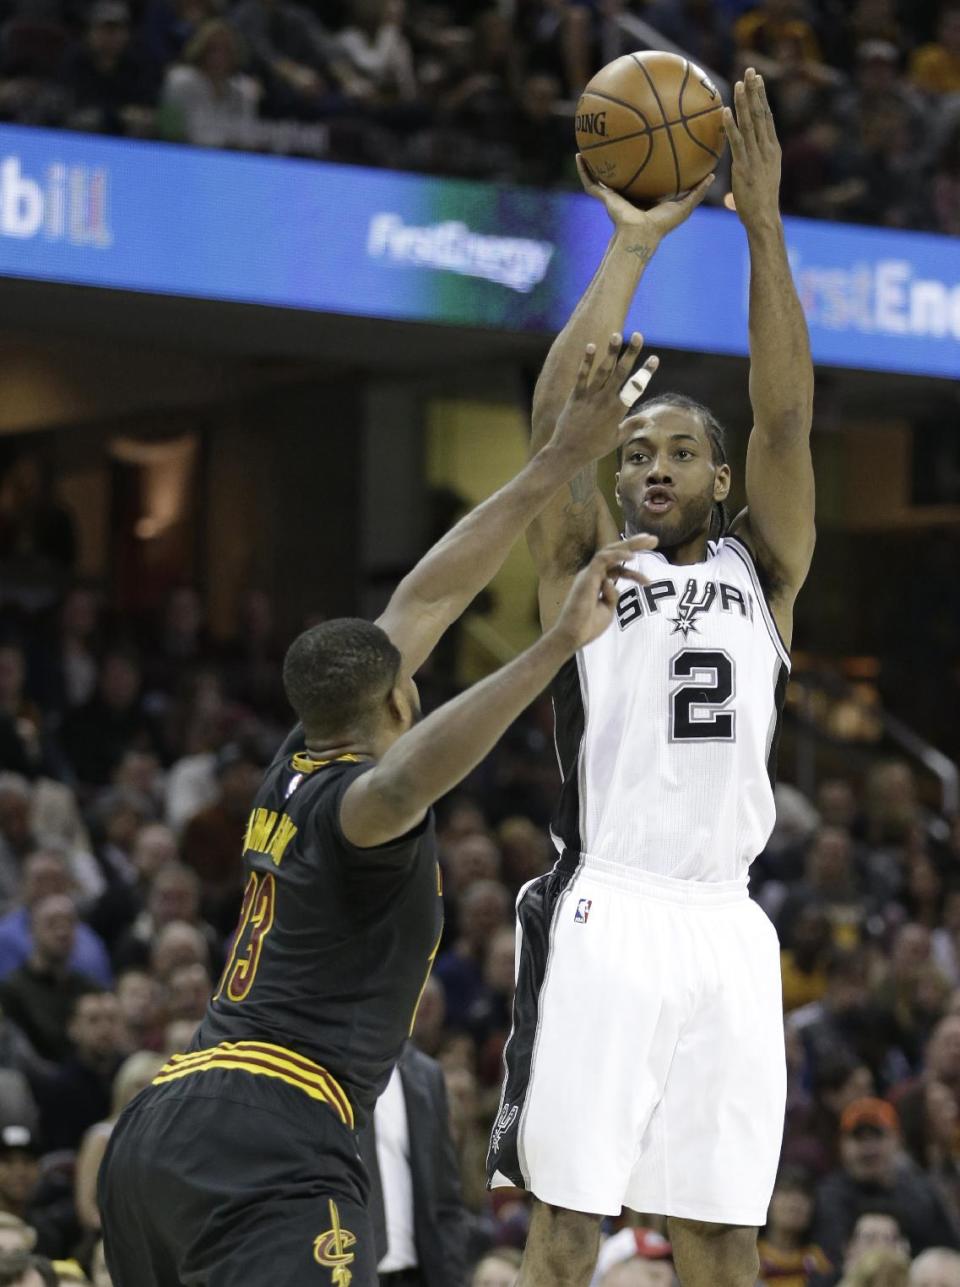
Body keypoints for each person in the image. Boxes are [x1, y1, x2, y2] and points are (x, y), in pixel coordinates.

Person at [97, 329, 662, 1286]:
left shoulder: (297, 754)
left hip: (162, 1125)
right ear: (398, 702)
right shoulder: (359, 804)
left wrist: (559, 458)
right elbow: (409, 775)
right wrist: (558, 641)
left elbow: (427, 594)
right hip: (271, 1137)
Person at [486, 69, 815, 1287]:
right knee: (568, 1227)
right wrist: (629, 247)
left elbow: (785, 423)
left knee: (727, 1234)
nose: (657, 468)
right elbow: (549, 423)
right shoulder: (585, 559)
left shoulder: (763, 569)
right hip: (606, 906)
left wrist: (762, 228)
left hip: (727, 919)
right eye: (638, 454)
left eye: (682, 451)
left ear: (718, 481)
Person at [357, 1041, 466, 1285]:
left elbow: (445, 1197)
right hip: (346, 1272)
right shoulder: (321, 1068)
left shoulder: (426, 1073)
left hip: (416, 1275)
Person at [812, 1099, 959, 1266]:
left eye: (877, 1136)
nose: (868, 1148)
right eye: (858, 1138)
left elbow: (950, 1253)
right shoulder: (827, 1198)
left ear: (897, 1140)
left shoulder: (922, 1194)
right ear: (841, 1145)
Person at [758, 1166, 832, 1285]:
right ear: (768, 1201)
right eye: (786, 1192)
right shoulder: (751, 1256)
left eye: (804, 1196)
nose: (796, 1203)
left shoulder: (817, 1259)